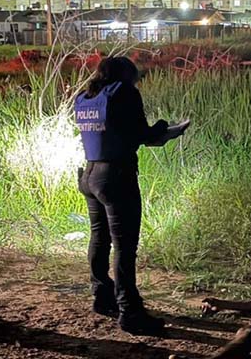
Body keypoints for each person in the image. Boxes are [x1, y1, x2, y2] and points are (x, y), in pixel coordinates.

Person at [74, 56, 190, 335]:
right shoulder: (124, 93)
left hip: (89, 175)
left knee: (99, 239)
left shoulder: (86, 96)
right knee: (125, 247)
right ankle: (130, 312)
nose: (136, 82)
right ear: (126, 75)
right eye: (135, 77)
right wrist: (166, 130)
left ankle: (103, 297)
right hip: (116, 178)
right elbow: (142, 134)